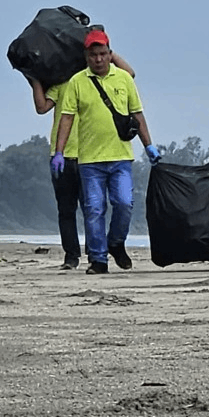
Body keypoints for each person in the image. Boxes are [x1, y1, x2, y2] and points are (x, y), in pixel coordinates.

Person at [52, 30, 160, 275]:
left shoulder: (124, 79)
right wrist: (59, 152)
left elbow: (137, 114)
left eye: (103, 54)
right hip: (90, 160)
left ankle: (116, 242)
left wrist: (148, 145)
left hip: (121, 157)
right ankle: (98, 260)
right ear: (86, 56)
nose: (98, 59)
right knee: (94, 209)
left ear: (110, 54)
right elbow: (66, 118)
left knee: (124, 203)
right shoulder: (77, 82)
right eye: (93, 55)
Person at [28, 51, 135, 270]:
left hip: (90, 155)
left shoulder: (103, 79)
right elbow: (42, 107)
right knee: (67, 209)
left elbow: (129, 74)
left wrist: (109, 52)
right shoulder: (64, 84)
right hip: (64, 155)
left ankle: (96, 253)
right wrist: (34, 78)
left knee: (93, 208)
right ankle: (72, 256)